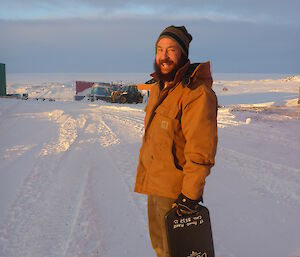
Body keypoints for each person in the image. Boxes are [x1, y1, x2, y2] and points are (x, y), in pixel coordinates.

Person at [134, 25, 218, 257]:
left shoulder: (195, 93)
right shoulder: (160, 88)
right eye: (160, 49)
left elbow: (200, 149)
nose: (164, 56)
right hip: (157, 187)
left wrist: (190, 196)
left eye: (171, 50)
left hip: (177, 195)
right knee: (161, 248)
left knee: (177, 251)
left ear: (183, 54)